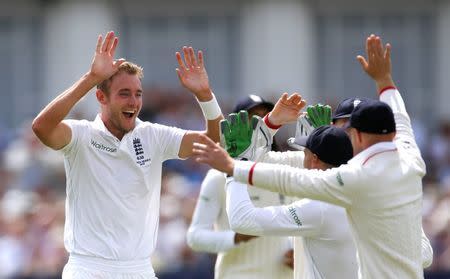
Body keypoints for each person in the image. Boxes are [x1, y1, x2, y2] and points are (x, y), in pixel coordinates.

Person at [192, 34, 430, 278]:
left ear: (356, 135)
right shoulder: (409, 161)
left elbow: (282, 184)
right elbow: (401, 121)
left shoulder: (342, 187)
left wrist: (235, 166)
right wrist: (385, 81)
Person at [31, 31, 226, 278]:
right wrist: (91, 78)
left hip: (140, 269)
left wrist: (205, 95)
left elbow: (213, 140)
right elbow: (41, 127)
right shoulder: (81, 135)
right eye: (124, 93)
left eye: (138, 94)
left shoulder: (153, 135)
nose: (133, 101)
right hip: (88, 268)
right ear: (101, 96)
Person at [226, 125, 359, 279]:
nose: (302, 159)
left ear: (314, 160)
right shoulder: (363, 192)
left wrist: (233, 171)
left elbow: (241, 220)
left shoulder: (319, 207)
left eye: (304, 154)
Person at [186, 95, 293, 279]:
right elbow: (195, 237)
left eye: (264, 117)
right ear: (235, 126)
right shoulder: (218, 176)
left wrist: (298, 251)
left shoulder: (284, 170)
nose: (259, 124)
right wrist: (236, 238)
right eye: (251, 118)